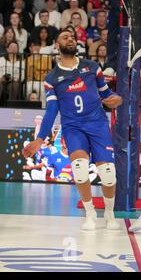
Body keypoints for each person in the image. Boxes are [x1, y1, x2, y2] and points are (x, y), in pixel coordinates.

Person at [23, 28, 123, 231]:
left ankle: (110, 214)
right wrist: (40, 140)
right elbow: (51, 111)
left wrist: (116, 99)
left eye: (73, 37)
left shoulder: (92, 67)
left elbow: (106, 94)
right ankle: (90, 213)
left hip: (97, 125)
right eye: (65, 37)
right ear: (57, 46)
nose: (71, 39)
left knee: (108, 173)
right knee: (79, 170)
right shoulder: (52, 79)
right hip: (73, 127)